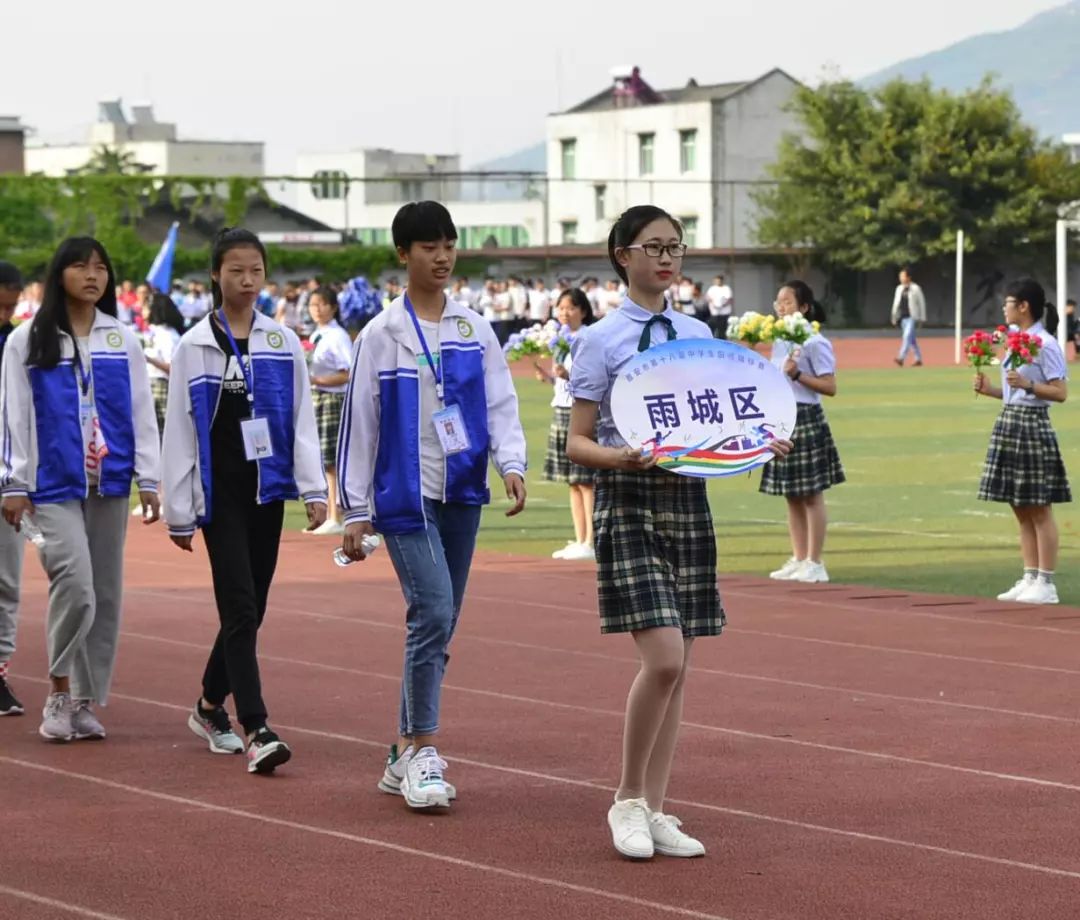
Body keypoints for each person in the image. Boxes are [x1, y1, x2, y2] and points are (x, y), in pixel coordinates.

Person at [566, 205, 790, 860]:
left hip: (686, 497)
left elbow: (713, 422)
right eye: (653, 246)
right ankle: (627, 799)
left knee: (681, 665)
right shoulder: (601, 339)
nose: (667, 258)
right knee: (663, 657)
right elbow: (579, 443)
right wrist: (623, 458)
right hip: (629, 496)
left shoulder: (697, 331)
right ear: (621, 255)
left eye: (676, 246)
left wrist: (758, 440)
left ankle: (657, 809)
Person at [337, 201, 527, 810]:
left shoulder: (474, 327)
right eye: (428, 246)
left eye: (448, 244)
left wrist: (512, 463)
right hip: (404, 493)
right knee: (434, 610)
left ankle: (400, 753)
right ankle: (422, 751)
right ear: (403, 255)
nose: (442, 256)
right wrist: (353, 507)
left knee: (439, 624)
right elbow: (359, 422)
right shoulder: (382, 334)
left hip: (463, 488)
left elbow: (500, 403)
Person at [162, 228, 327, 773]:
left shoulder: (282, 342)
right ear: (216, 275)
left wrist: (313, 489)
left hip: (268, 492)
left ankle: (209, 705)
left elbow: (300, 419)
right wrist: (180, 509)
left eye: (256, 269)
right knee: (238, 606)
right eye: (236, 270)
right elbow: (181, 433)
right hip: (219, 496)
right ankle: (256, 727)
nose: (248, 279)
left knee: (251, 608)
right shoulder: (195, 345)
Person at [0, 238, 160, 742]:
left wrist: (149, 478)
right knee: (76, 584)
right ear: (58, 274)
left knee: (107, 594)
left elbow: (140, 413)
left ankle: (86, 701)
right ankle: (59, 691)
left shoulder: (123, 339)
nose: (92, 275)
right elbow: (14, 416)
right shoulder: (28, 340)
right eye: (79, 266)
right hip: (51, 484)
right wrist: (14, 481)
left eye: (100, 268)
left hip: (108, 484)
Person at [973, 278, 1070, 605]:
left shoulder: (1045, 343)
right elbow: (1017, 389)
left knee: (1039, 507)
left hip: (1031, 425)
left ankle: (1047, 582)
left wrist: (1028, 386)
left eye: (1008, 302)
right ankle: (1030, 575)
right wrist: (992, 391)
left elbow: (1060, 392)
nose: (1004, 307)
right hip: (1010, 420)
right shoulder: (1015, 341)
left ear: (1024, 306)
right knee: (1020, 505)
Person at [761, 281, 845, 584]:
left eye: (787, 302)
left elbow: (830, 386)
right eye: (778, 302)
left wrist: (798, 374)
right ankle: (798, 558)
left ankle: (815, 561)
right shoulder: (780, 339)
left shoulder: (814, 341)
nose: (781, 307)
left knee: (811, 494)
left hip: (806, 416)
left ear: (804, 308)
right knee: (791, 494)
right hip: (782, 419)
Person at [535, 287, 596, 561]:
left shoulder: (587, 340)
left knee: (585, 481)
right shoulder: (559, 340)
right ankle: (580, 537)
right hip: (561, 411)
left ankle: (591, 542)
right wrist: (549, 378)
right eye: (561, 307)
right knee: (572, 482)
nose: (564, 312)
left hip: (579, 414)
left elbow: (593, 383)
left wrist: (568, 374)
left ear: (583, 311)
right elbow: (563, 384)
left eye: (570, 307)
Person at [306, 286, 352, 535]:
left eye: (322, 304)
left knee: (331, 461)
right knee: (323, 460)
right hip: (318, 399)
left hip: (333, 400)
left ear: (333, 307)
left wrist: (317, 381)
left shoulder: (337, 336)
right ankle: (331, 512)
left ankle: (336, 515)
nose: (317, 310)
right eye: (313, 305)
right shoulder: (315, 335)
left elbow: (348, 373)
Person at [0, 262, 26, 715]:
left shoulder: (22, 342)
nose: (5, 313)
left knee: (6, 582)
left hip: (7, 477)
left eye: (11, 305)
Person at [143, 293, 185, 436]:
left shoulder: (168, 335)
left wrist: (148, 359)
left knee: (162, 431)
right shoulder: (155, 331)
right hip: (150, 384)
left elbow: (172, 368)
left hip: (161, 386)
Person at [891, 267, 926, 367]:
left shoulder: (915, 288)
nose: (901, 278)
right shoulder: (899, 289)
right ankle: (918, 359)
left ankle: (901, 358)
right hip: (903, 317)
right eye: (900, 276)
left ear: (908, 277)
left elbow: (921, 303)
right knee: (911, 339)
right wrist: (894, 316)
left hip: (912, 317)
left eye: (903, 276)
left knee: (906, 337)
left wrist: (922, 318)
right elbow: (895, 303)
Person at [705, 274, 733, 339]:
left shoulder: (726, 288)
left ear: (722, 281)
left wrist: (722, 305)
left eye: (719, 281)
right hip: (714, 313)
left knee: (722, 330)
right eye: (716, 281)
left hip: (724, 313)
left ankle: (723, 342)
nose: (717, 282)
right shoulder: (712, 288)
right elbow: (707, 297)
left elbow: (729, 299)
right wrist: (713, 303)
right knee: (712, 328)